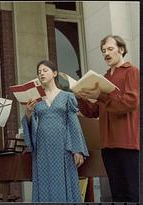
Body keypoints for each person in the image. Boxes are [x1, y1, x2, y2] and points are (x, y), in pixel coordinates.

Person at [74, 35, 139, 202]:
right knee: (116, 193)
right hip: (107, 145)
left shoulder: (132, 71)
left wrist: (101, 96)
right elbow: (93, 111)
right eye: (103, 51)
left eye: (110, 49)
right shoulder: (104, 78)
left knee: (132, 192)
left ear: (122, 49)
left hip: (127, 143)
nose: (106, 53)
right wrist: (81, 96)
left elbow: (130, 102)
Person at [21, 60, 89, 202]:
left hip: (64, 146)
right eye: (39, 72)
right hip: (43, 148)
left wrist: (77, 149)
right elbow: (30, 123)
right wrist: (27, 112)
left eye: (45, 70)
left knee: (64, 180)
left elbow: (73, 123)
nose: (41, 74)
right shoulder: (36, 99)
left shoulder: (67, 96)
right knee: (44, 180)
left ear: (54, 73)